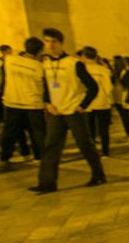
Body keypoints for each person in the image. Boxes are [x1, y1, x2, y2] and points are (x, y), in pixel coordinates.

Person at [30, 28, 106, 193]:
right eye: (47, 41)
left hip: (73, 111)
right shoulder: (45, 63)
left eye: (54, 41)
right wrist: (47, 102)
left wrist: (82, 106)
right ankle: (47, 183)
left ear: (61, 43)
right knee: (50, 147)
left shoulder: (74, 63)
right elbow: (47, 86)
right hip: (55, 112)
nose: (50, 45)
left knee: (85, 144)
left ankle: (98, 175)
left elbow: (92, 87)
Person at [0, 36, 47, 163]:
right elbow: (45, 85)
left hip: (12, 100)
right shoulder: (39, 66)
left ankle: (5, 155)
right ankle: (40, 156)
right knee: (37, 131)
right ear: (40, 51)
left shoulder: (9, 60)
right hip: (33, 103)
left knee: (10, 130)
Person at [81, 47, 114, 157]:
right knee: (103, 129)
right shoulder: (103, 70)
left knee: (89, 129)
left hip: (87, 103)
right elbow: (108, 87)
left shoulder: (81, 69)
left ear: (84, 56)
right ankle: (105, 151)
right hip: (102, 102)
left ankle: (92, 151)